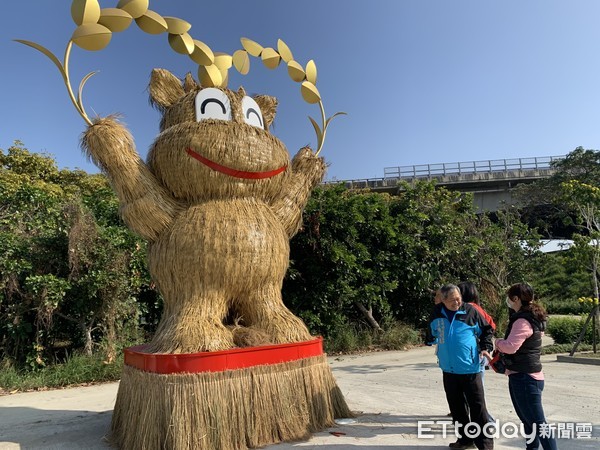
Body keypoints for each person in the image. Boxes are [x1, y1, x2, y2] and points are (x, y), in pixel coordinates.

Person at [427, 284, 494, 450]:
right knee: (457, 409)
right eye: (452, 300)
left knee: (477, 408)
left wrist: (485, 347)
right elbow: (432, 331)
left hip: (470, 369)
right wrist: (430, 338)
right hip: (448, 370)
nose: (456, 302)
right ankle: (465, 440)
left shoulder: (470, 312)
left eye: (458, 298)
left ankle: (485, 445)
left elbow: (487, 330)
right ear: (442, 301)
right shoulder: (436, 313)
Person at [494, 283, 558, 450]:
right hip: (524, 375)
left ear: (515, 299)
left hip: (525, 378)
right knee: (529, 422)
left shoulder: (522, 320)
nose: (508, 300)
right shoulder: (531, 316)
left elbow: (511, 346)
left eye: (509, 297)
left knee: (538, 423)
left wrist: (497, 342)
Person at [457, 281, 496, 423]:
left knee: (475, 392)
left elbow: (490, 327)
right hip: (476, 353)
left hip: (476, 354)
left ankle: (488, 421)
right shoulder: (473, 307)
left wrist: (481, 344)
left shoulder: (471, 309)